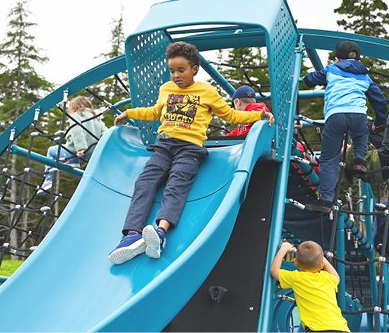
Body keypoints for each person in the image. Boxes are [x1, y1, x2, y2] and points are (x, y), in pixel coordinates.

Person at [108, 41, 274, 264]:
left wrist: (260, 115)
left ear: (194, 68)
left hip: (190, 148)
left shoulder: (207, 92)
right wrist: (129, 112)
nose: (175, 75)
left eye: (181, 70)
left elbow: (231, 116)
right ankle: (132, 235)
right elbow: (155, 112)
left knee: (177, 183)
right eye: (172, 71)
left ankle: (160, 233)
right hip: (164, 144)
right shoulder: (166, 89)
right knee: (145, 182)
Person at [303, 40, 387, 211]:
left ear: (337, 58)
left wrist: (324, 72)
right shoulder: (365, 75)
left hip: (336, 115)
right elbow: (379, 100)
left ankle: (326, 200)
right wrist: (380, 121)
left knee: (329, 159)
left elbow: (309, 80)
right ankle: (358, 159)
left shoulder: (332, 69)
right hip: (358, 114)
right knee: (361, 134)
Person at [270, 240, 350, 332]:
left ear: (295, 262)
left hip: (317, 329)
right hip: (341, 328)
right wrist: (323, 259)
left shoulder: (297, 278)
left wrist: (283, 249)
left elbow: (274, 271)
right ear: (321, 264)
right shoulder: (327, 278)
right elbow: (336, 276)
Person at [39, 96, 108, 192]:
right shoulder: (98, 120)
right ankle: (73, 162)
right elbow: (106, 134)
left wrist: (81, 148)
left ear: (74, 107)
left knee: (51, 151)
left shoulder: (75, 115)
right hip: (90, 155)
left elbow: (77, 130)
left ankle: (48, 180)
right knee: (62, 147)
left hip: (75, 152)